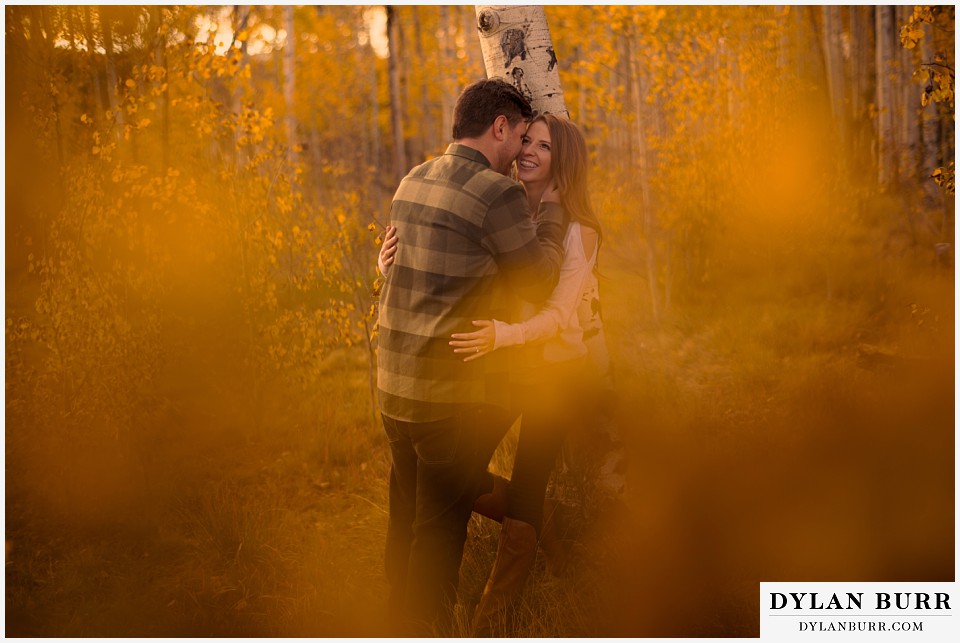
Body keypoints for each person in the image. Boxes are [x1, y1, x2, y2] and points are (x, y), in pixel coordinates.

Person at [380, 114, 609, 636]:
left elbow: (555, 316)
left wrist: (502, 336)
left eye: (543, 147)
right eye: (526, 140)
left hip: (555, 371)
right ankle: (550, 523)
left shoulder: (579, 231)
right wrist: (389, 262)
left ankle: (495, 614)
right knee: (458, 474)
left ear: (564, 162)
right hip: (506, 366)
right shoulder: (504, 208)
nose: (528, 151)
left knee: (525, 485)